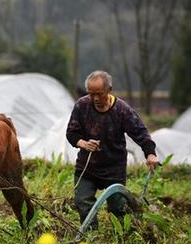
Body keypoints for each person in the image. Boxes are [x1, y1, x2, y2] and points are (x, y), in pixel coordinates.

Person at [66, 70, 159, 229]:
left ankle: (122, 238)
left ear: (109, 90)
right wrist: (83, 143)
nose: (95, 98)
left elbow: (140, 132)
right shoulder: (82, 105)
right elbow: (71, 133)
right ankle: (90, 236)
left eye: (99, 94)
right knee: (82, 202)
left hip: (113, 169)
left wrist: (150, 154)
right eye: (91, 93)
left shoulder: (122, 110)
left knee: (117, 208)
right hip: (88, 167)